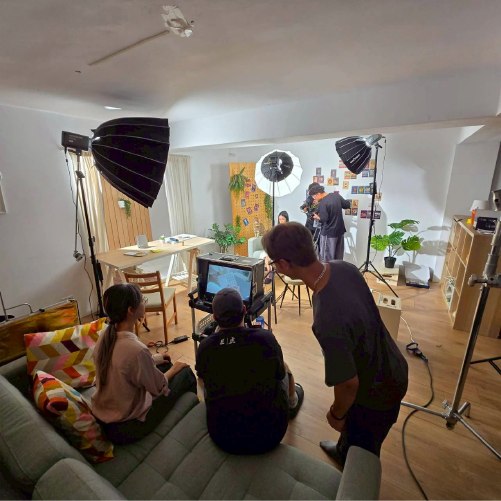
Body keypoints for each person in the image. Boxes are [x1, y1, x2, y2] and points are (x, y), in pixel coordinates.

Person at [262, 223, 408, 466]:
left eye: (273, 262)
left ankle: (351, 462)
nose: (274, 267)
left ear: (284, 264)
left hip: (378, 392)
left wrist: (336, 414)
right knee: (351, 439)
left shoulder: (327, 319)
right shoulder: (344, 267)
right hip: (392, 362)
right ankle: (342, 450)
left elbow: (349, 384)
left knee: (363, 453)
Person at [195, 288, 304, 455]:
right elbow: (280, 375)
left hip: (223, 437)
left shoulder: (205, 347)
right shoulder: (265, 339)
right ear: (245, 310)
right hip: (270, 435)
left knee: (204, 378)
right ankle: (292, 402)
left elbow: (202, 382)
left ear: (214, 317)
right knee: (283, 367)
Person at [92, 283, 197, 445]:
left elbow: (126, 363)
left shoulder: (105, 336)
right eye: (142, 299)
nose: (144, 302)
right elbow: (158, 388)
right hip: (129, 427)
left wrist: (156, 359)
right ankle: (191, 423)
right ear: (130, 310)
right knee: (186, 373)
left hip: (105, 418)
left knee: (165, 364)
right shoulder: (136, 350)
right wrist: (175, 369)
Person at [309, 185, 350, 261]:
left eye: (314, 197)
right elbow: (347, 205)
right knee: (338, 257)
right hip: (340, 232)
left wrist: (317, 217)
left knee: (326, 259)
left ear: (318, 194)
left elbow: (324, 219)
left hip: (329, 234)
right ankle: (337, 269)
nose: (314, 199)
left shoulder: (323, 203)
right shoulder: (336, 196)